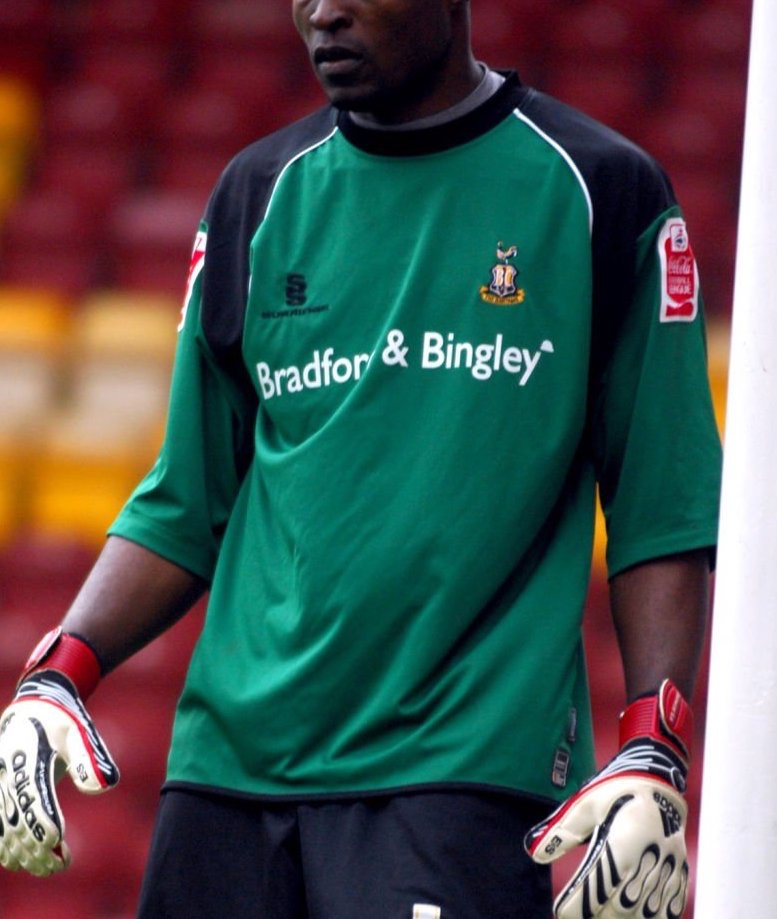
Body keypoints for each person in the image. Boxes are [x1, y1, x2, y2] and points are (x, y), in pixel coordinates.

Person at [0, 1, 722, 917]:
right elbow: (186, 497)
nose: (320, 12)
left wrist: (654, 742)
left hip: (456, 780)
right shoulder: (256, 192)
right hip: (228, 774)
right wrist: (57, 671)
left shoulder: (599, 188)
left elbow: (659, 502)